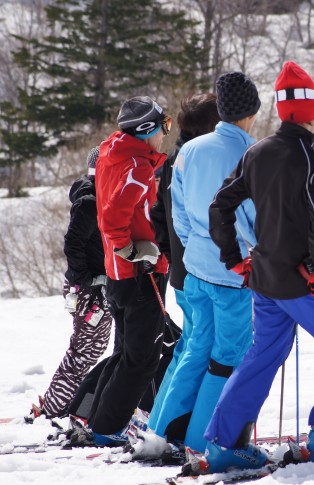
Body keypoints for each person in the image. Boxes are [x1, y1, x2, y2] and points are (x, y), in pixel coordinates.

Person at [202, 61, 314, 472]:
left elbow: (220, 206)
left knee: (264, 354)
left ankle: (224, 444)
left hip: (263, 280)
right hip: (302, 284)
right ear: (313, 109)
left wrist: (233, 260)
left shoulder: (256, 152)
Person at [150, 74, 259, 453]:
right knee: (227, 357)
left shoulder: (189, 151)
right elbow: (258, 220)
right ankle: (207, 442)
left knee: (196, 346)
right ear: (252, 111)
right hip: (232, 272)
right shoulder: (252, 154)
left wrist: (197, 243)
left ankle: (161, 431)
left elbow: (177, 216)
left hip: (194, 266)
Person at [73, 96, 171, 446]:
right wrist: (131, 248)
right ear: (148, 130)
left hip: (119, 275)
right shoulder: (136, 167)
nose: (166, 134)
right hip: (137, 274)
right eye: (165, 126)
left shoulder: (113, 152)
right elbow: (112, 217)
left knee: (126, 354)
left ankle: (96, 419)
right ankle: (107, 429)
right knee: (142, 360)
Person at [146, 93, 221, 440]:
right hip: (200, 271)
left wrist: (172, 257)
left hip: (182, 272)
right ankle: (174, 430)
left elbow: (159, 217)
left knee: (190, 346)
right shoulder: (200, 160)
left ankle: (161, 426)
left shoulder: (173, 160)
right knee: (199, 350)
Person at [28, 147, 113, 422]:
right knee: (83, 352)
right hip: (87, 289)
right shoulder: (90, 201)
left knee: (94, 349)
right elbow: (73, 244)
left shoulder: (96, 195)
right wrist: (87, 282)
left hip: (96, 286)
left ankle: (67, 403)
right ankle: (54, 408)